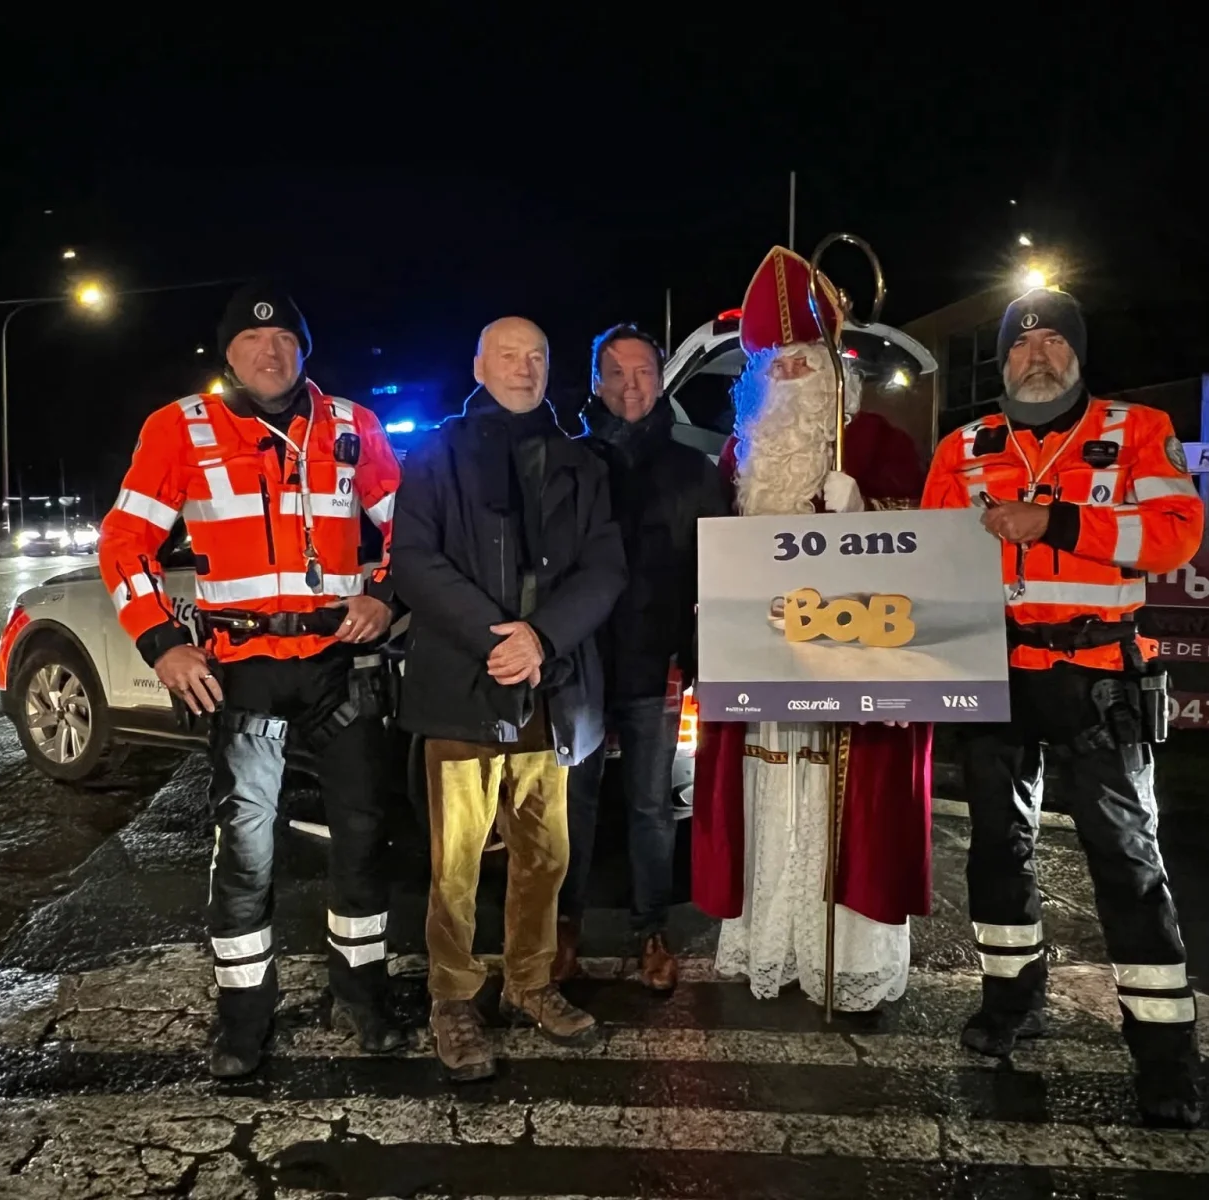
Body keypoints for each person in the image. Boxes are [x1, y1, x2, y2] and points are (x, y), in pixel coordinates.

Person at [98, 281, 406, 1077]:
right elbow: (125, 543)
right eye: (252, 342)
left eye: (285, 343)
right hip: (241, 672)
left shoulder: (353, 425)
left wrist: (385, 592)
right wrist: (164, 644)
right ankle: (243, 1017)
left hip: (339, 664)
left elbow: (412, 523)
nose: (270, 354)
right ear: (228, 353)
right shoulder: (181, 428)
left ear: (303, 353)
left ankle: (362, 995)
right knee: (244, 846)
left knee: (366, 834)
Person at [921, 287, 1206, 1126]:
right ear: (1003, 359)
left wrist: (1055, 519)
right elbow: (932, 552)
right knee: (995, 852)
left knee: (1126, 863)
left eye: (1052, 342)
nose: (1035, 353)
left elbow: (1176, 534)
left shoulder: (1136, 431)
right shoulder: (964, 444)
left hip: (1097, 676)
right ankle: (1010, 1001)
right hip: (994, 670)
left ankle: (1165, 1059)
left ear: (1077, 355)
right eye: (1020, 343)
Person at [691, 247, 934, 1011]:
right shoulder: (738, 455)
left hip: (851, 669)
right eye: (776, 368)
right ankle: (773, 943)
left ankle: (845, 959)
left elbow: (929, 567)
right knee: (770, 791)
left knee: (846, 804)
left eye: (803, 361)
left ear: (833, 369)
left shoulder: (881, 447)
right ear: (756, 382)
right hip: (764, 675)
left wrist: (868, 516)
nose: (791, 378)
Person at [391, 316, 626, 1082]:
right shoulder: (434, 453)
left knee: (545, 854)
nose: (524, 369)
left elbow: (604, 568)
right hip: (464, 685)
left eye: (536, 357)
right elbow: (414, 563)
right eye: (507, 355)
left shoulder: (580, 462)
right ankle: (453, 997)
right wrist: (498, 638)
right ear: (479, 363)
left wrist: (542, 639)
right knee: (455, 861)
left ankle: (529, 982)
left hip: (550, 688)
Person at [555, 324, 728, 991]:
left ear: (661, 381)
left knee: (653, 808)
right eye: (618, 373)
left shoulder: (693, 469)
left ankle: (650, 928)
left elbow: (712, 575)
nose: (633, 385)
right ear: (597, 381)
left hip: (657, 663)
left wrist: (698, 659)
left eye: (645, 373)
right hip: (579, 665)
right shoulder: (569, 461)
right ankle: (565, 926)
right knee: (576, 804)